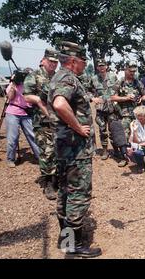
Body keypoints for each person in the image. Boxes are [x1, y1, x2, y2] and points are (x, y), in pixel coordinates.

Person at [48, 41, 101, 258]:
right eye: (82, 61)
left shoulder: (58, 77)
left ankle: (66, 239)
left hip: (64, 147)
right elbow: (60, 104)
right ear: (72, 61)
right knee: (78, 194)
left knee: (65, 192)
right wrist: (78, 127)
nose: (84, 64)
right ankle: (74, 246)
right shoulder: (68, 77)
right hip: (75, 149)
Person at [23, 48, 60, 200]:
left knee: (58, 150)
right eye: (51, 61)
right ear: (43, 60)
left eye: (55, 62)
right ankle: (48, 183)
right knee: (47, 152)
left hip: (58, 121)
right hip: (42, 122)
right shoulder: (34, 76)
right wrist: (38, 99)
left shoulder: (58, 77)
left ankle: (56, 178)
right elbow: (26, 96)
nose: (53, 64)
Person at [111, 60, 145, 167]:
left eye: (134, 71)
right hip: (124, 115)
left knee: (138, 135)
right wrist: (126, 98)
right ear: (125, 70)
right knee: (124, 136)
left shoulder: (137, 82)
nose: (132, 73)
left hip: (137, 115)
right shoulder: (120, 82)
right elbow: (113, 97)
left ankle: (136, 156)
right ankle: (124, 157)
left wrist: (142, 98)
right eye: (130, 71)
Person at [5, 69, 40, 168]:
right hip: (13, 112)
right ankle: (10, 159)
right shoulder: (14, 85)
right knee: (13, 137)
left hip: (26, 113)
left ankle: (40, 157)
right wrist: (13, 83)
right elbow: (10, 98)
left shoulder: (30, 85)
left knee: (33, 135)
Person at [87, 59, 118, 161]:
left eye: (103, 66)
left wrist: (117, 98)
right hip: (100, 109)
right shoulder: (94, 79)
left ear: (106, 66)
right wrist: (93, 98)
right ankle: (105, 150)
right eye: (100, 66)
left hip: (112, 108)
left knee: (113, 130)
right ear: (97, 67)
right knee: (102, 130)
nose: (101, 67)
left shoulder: (113, 77)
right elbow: (88, 91)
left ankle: (116, 150)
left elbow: (118, 89)